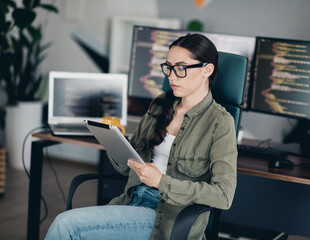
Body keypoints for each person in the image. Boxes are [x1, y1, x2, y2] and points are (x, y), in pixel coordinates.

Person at [45, 33, 237, 240]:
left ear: (207, 70)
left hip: (167, 219)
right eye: (169, 67)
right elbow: (125, 167)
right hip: (132, 201)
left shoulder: (220, 122)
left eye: (181, 68)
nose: (171, 76)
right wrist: (113, 141)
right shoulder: (161, 104)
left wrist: (161, 182)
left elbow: (224, 196)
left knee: (66, 225)